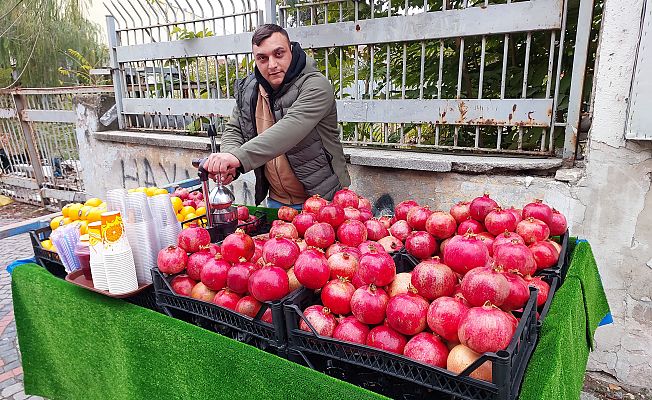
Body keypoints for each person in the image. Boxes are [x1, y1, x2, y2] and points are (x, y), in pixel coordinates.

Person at [202, 24, 351, 209]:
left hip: (323, 202)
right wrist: (228, 156)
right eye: (262, 58)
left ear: (291, 50)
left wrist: (238, 158)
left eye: (278, 54)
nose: (272, 65)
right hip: (277, 202)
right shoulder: (249, 90)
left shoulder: (316, 86)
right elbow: (235, 128)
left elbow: (290, 129)